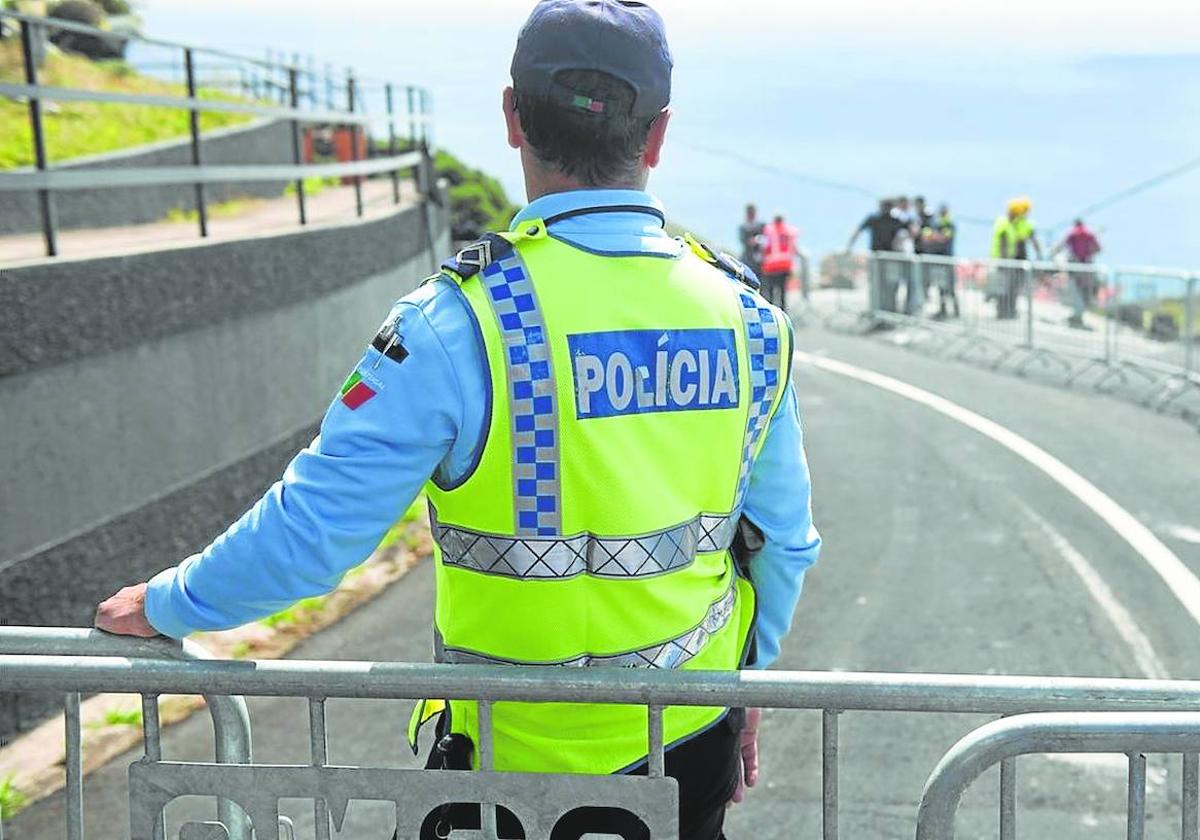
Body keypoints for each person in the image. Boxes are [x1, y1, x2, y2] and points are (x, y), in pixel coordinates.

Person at [94, 3, 822, 839]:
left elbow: (315, 534)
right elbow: (786, 541)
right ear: (656, 138)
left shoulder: (457, 323)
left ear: (512, 118)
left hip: (506, 770)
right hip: (690, 744)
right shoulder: (750, 321)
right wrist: (745, 679)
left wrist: (167, 602)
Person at [846, 199, 906, 313]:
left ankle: (887, 311)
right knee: (882, 285)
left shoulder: (894, 220)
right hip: (880, 258)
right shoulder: (877, 219)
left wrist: (849, 247)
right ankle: (881, 311)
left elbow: (857, 231)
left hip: (888, 258)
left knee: (888, 286)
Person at [990, 196, 1042, 319]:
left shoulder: (1020, 224)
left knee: (1013, 288)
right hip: (1004, 261)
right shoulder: (1005, 223)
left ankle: (1010, 310)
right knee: (1004, 287)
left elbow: (1030, 238)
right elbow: (1003, 242)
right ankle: (1002, 310)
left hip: (1013, 261)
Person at [1053, 218, 1102, 329]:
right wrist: (1089, 252)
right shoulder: (1089, 234)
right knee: (1084, 290)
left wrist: (1053, 255)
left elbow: (1061, 246)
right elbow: (1098, 249)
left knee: (1076, 290)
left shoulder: (1072, 234)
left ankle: (1077, 315)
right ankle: (1079, 315)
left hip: (1074, 265)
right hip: (1087, 265)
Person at [921, 203, 958, 319]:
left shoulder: (949, 224)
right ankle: (943, 310)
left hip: (946, 260)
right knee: (940, 287)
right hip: (937, 260)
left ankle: (956, 310)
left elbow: (943, 238)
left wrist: (934, 237)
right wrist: (934, 236)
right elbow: (926, 238)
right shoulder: (935, 224)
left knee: (950, 288)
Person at [759, 212, 800, 309]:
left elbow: (764, 247)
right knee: (782, 291)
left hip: (771, 266)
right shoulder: (789, 231)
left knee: (771, 291)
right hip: (785, 266)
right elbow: (794, 248)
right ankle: (783, 311)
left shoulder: (769, 231)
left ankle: (772, 311)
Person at [738, 203, 765, 277]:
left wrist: (758, 240)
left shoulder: (761, 226)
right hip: (747, 259)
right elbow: (743, 241)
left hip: (760, 260)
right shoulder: (743, 227)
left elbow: (767, 238)